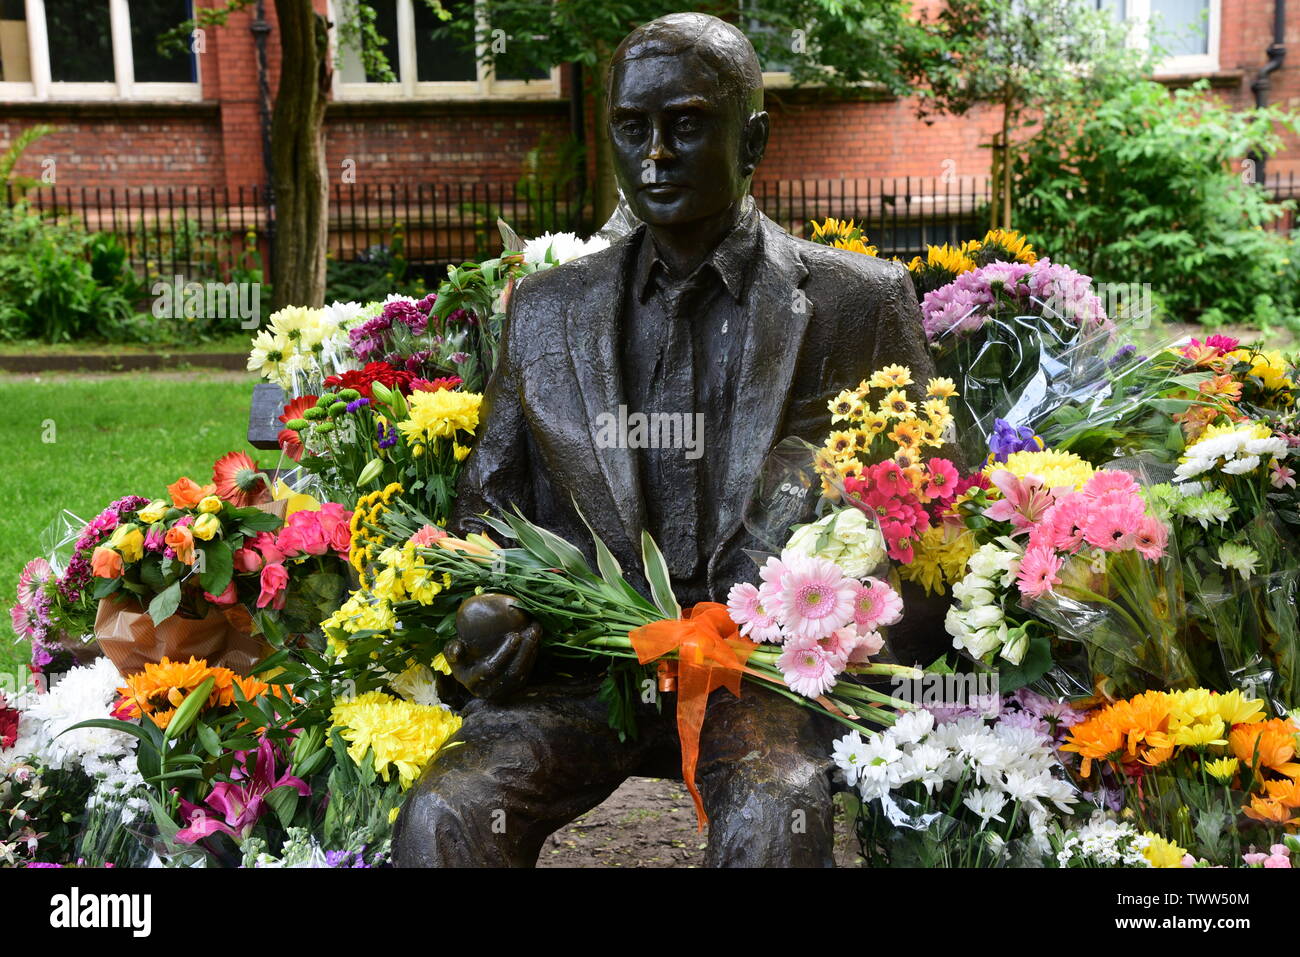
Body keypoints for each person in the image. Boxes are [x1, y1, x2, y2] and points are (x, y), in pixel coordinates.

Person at [392, 12, 943, 868]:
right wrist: (492, 611)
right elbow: (488, 512)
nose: (653, 155)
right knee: (444, 817)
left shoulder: (855, 303)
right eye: (631, 127)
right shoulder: (547, 308)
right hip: (587, 665)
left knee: (777, 819)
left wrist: (853, 629)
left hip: (766, 677)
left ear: (752, 139)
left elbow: (936, 518)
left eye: (685, 125)